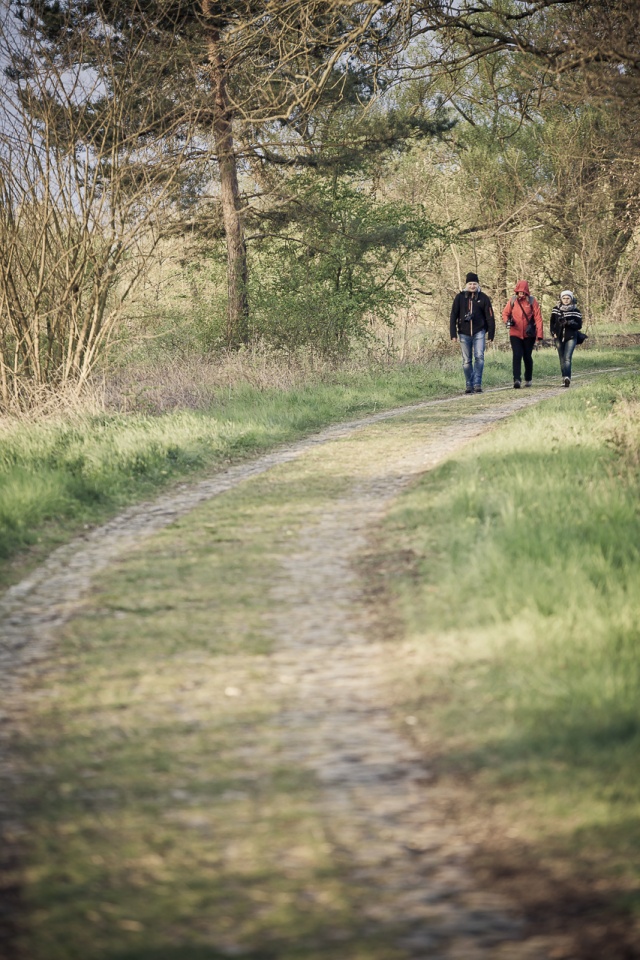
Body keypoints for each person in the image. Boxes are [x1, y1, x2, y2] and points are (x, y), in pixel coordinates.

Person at [449, 272, 495, 394]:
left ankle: (477, 384)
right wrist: (453, 334)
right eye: (470, 284)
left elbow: (490, 316)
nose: (472, 286)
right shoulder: (460, 297)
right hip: (463, 333)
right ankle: (469, 384)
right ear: (466, 284)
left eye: (474, 283)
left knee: (479, 357)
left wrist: (491, 333)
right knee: (466, 360)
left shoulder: (483, 298)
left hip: (479, 332)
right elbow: (453, 315)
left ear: (478, 284)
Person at [501, 280, 544, 388]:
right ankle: (517, 380)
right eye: (519, 291)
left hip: (529, 334)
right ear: (516, 291)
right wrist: (507, 321)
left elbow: (538, 318)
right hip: (515, 332)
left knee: (527, 356)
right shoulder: (513, 300)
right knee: (517, 355)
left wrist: (539, 334)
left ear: (527, 292)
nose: (521, 294)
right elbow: (505, 313)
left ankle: (528, 378)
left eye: (523, 292)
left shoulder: (532, 301)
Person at [550, 289, 582, 387]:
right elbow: (552, 322)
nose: (566, 300)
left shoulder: (576, 311)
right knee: (561, 358)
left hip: (571, 336)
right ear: (561, 299)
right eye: (564, 298)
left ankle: (567, 377)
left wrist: (568, 323)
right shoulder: (556, 309)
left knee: (567, 358)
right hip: (558, 336)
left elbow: (579, 325)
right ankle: (564, 377)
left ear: (571, 299)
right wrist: (553, 332)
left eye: (568, 298)